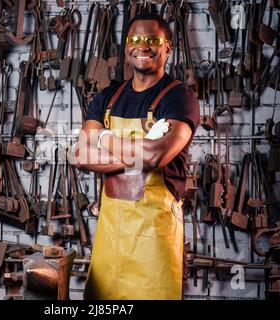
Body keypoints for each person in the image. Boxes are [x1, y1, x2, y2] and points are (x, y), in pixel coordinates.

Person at [72, 13, 200, 300]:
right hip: (110, 235)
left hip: (153, 235)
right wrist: (141, 146)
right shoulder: (107, 97)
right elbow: (80, 154)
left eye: (153, 40)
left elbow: (157, 157)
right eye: (136, 40)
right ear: (126, 48)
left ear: (168, 48)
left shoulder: (179, 98)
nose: (143, 46)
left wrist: (103, 140)